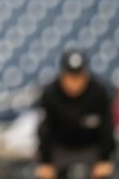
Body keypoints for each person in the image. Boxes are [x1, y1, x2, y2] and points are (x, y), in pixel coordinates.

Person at [36, 50, 115, 179]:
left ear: (86, 74)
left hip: (91, 148)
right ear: (62, 75)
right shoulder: (50, 94)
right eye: (70, 76)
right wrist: (45, 161)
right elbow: (45, 130)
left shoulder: (99, 92)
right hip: (61, 149)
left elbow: (106, 127)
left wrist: (104, 158)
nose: (74, 82)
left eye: (78, 76)